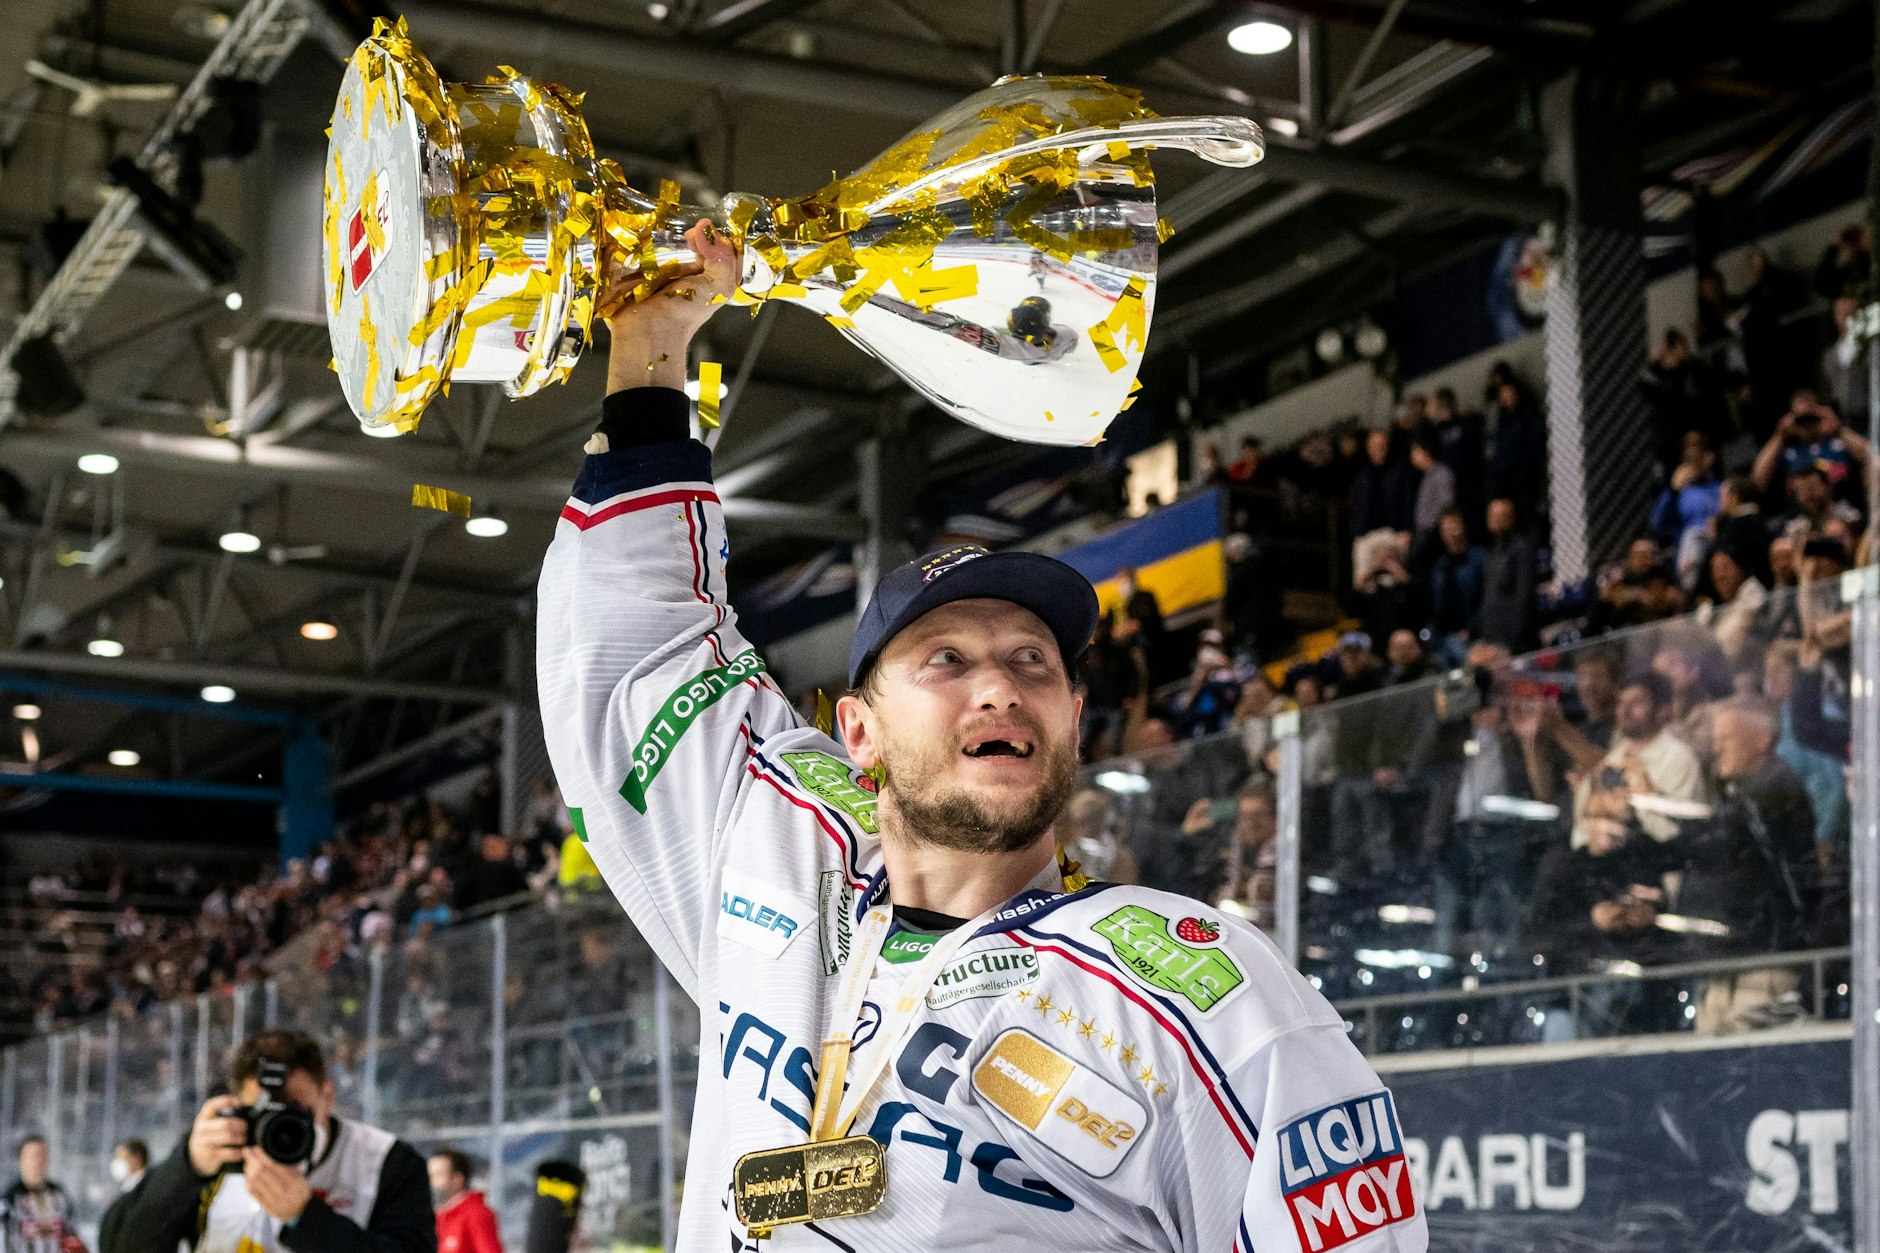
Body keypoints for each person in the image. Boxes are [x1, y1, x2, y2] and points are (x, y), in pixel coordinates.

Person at [536, 222, 1427, 1251]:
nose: (999, 684)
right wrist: (651, 345)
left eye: (1032, 661)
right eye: (946, 661)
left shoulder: (1188, 988)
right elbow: (646, 649)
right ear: (856, 731)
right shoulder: (780, 862)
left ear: (1074, 721)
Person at [99, 1030, 433, 1253]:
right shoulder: (221, 1151)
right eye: (262, 1110)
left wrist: (306, 1218)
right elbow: (119, 1246)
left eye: (296, 1110)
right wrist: (186, 1168)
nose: (280, 1124)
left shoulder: (384, 1160)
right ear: (238, 1104)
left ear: (327, 1095)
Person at [1680, 698, 1816, 1032]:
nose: (1716, 748)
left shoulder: (1778, 794)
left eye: (1726, 737)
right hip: (1725, 966)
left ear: (1762, 739)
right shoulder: (1737, 798)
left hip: (1765, 966)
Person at [2, 1136, 84, 1253]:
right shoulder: (9, 1200)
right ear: (22, 1160)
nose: (39, 1161)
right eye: (34, 1156)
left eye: (43, 1155)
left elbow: (71, 1235)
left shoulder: (59, 1196)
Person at [1425, 510, 1485, 666]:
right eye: (1446, 529)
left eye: (1454, 526)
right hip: (1442, 638)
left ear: (1464, 527)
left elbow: (1486, 599)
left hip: (1471, 636)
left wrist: (1471, 629)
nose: (1451, 533)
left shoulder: (1480, 559)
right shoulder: (1439, 567)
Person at [1478, 497, 1537, 652]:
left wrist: (1514, 640)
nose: (1497, 521)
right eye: (1494, 517)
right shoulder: (1491, 555)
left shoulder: (1521, 550)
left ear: (1512, 519)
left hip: (1514, 641)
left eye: (1502, 517)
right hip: (1493, 637)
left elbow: (1524, 598)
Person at [428, 1151, 503, 1253]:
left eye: (438, 1175)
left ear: (457, 1179)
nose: (430, 1182)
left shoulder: (476, 1215)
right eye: (429, 1176)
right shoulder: (437, 1218)